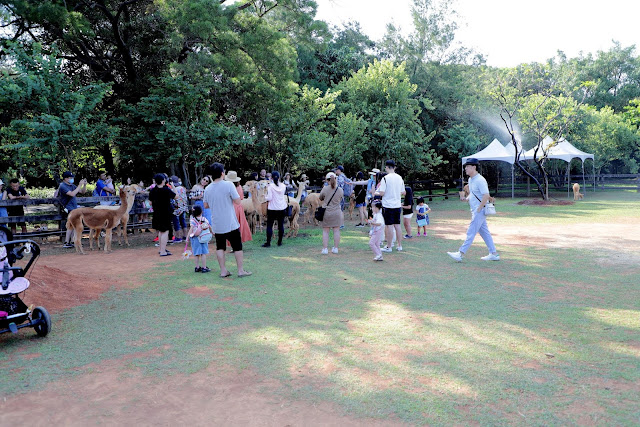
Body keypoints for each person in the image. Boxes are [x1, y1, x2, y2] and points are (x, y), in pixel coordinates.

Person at [203, 162, 252, 277]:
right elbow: (238, 201)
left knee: (220, 246)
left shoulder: (208, 189)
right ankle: (240, 271)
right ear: (222, 173)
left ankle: (223, 271)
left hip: (217, 223)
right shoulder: (229, 185)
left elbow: (205, 205)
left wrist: (216, 203)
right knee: (237, 246)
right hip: (230, 222)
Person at [447, 158, 500, 262]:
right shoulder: (471, 180)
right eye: (466, 167)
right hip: (476, 210)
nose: (465, 169)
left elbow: (486, 195)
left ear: (474, 167)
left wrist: (479, 208)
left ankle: (460, 253)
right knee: (485, 233)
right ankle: (494, 253)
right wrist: (465, 199)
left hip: (479, 211)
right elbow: (473, 194)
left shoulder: (480, 180)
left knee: (471, 232)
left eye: (467, 166)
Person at [376, 160, 405, 253]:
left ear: (387, 167)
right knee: (397, 225)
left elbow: (382, 192)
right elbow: (403, 192)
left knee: (389, 226)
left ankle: (389, 246)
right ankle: (399, 245)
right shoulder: (400, 178)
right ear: (394, 167)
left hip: (388, 205)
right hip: (397, 204)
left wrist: (376, 192)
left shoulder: (385, 178)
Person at [148, 173, 176, 256]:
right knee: (165, 231)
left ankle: (161, 249)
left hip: (157, 213)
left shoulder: (153, 190)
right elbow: (176, 196)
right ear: (163, 180)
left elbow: (150, 202)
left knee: (160, 231)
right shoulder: (166, 190)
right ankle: (163, 251)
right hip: (165, 213)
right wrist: (173, 186)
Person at [58, 171, 88, 248]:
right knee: (70, 225)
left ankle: (72, 241)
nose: (72, 179)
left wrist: (84, 185)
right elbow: (72, 194)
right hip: (68, 208)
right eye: (70, 178)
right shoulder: (62, 186)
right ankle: (67, 242)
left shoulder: (72, 185)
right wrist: (79, 185)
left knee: (74, 225)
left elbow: (82, 192)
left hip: (74, 208)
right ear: (65, 179)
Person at [319, 172, 344, 254]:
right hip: (337, 212)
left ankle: (325, 249)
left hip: (327, 212)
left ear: (327, 180)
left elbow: (321, 198)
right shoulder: (340, 190)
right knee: (336, 231)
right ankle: (336, 248)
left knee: (326, 231)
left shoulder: (325, 189)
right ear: (335, 179)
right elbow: (340, 199)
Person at [225, 170, 252, 244]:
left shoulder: (229, 187)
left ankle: (234, 243)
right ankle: (239, 241)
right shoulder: (239, 186)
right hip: (239, 206)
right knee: (240, 224)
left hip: (232, 207)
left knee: (232, 226)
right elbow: (241, 197)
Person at [262, 170, 287, 248]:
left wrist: (264, 196)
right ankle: (279, 242)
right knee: (281, 226)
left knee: (269, 225)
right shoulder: (283, 186)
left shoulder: (270, 187)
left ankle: (268, 243)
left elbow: (269, 198)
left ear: (271, 178)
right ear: (279, 177)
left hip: (272, 208)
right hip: (282, 207)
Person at [186, 205, 211, 273]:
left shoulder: (193, 220)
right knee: (203, 253)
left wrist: (187, 238)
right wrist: (212, 232)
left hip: (195, 238)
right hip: (203, 238)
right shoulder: (204, 219)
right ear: (201, 212)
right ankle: (204, 267)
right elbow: (209, 226)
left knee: (196, 253)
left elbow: (191, 230)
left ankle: (197, 267)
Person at [170, 176, 189, 243]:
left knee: (176, 222)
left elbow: (173, 199)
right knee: (183, 221)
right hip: (183, 207)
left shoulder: (173, 189)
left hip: (176, 208)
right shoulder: (182, 188)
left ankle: (178, 237)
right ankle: (185, 236)